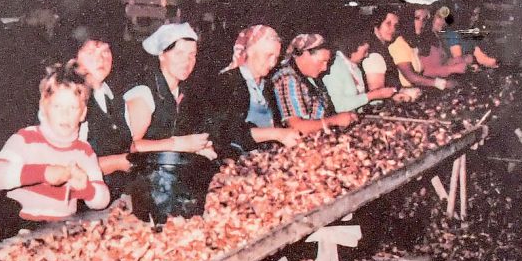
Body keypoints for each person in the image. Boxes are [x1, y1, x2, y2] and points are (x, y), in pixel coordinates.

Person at [0, 64, 109, 225]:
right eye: (57, 106)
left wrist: (86, 188)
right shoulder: (25, 138)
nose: (65, 115)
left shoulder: (85, 152)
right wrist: (43, 173)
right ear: (44, 107)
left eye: (73, 107)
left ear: (83, 113)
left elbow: (103, 200)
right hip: (18, 224)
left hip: (62, 229)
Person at [205, 25, 301, 156]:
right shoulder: (227, 82)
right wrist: (275, 134)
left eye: (276, 57)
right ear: (249, 51)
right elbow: (223, 132)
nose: (272, 63)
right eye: (268, 56)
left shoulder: (267, 86)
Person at [123, 22, 214, 156]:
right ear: (161, 55)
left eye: (192, 54)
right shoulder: (143, 94)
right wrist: (178, 144)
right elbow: (133, 147)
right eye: (179, 53)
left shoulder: (181, 92)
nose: (187, 61)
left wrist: (197, 148)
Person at [72, 37, 134, 197]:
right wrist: (117, 162)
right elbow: (69, 167)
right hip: (83, 200)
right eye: (91, 52)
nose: (101, 59)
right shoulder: (71, 101)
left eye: (106, 51)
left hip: (116, 196)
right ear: (73, 59)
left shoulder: (115, 95)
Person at [270, 33, 358, 135]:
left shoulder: (309, 77)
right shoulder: (287, 79)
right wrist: (335, 120)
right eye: (323, 61)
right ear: (306, 54)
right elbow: (297, 127)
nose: (325, 68)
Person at [387, 8, 461, 91]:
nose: (421, 23)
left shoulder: (412, 43)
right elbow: (411, 77)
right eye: (417, 18)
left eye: (424, 19)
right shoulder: (399, 44)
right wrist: (442, 83)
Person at [322, 32, 397, 113]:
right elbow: (339, 106)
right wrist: (372, 95)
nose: (367, 55)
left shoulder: (355, 68)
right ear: (352, 49)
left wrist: (387, 96)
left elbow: (359, 102)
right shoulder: (334, 66)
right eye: (365, 51)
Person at [361, 8, 402, 91]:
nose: (393, 29)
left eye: (395, 25)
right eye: (388, 23)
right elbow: (377, 92)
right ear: (376, 24)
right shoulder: (373, 53)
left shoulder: (383, 48)